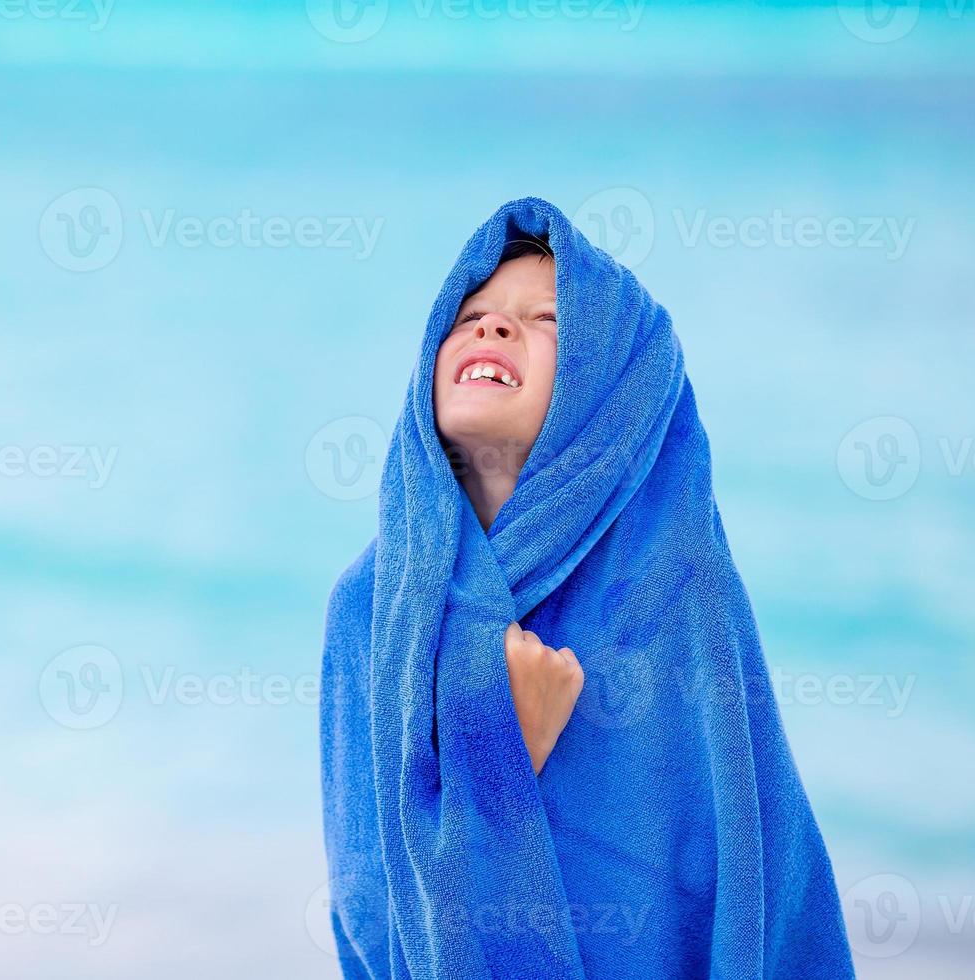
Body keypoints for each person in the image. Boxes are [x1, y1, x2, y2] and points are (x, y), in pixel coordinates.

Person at [319, 200, 854, 978]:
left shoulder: (672, 591)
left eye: (545, 319)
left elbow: (754, 885)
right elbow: (373, 917)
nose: (492, 328)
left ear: (607, 394)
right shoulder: (373, 607)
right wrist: (501, 751)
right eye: (469, 314)